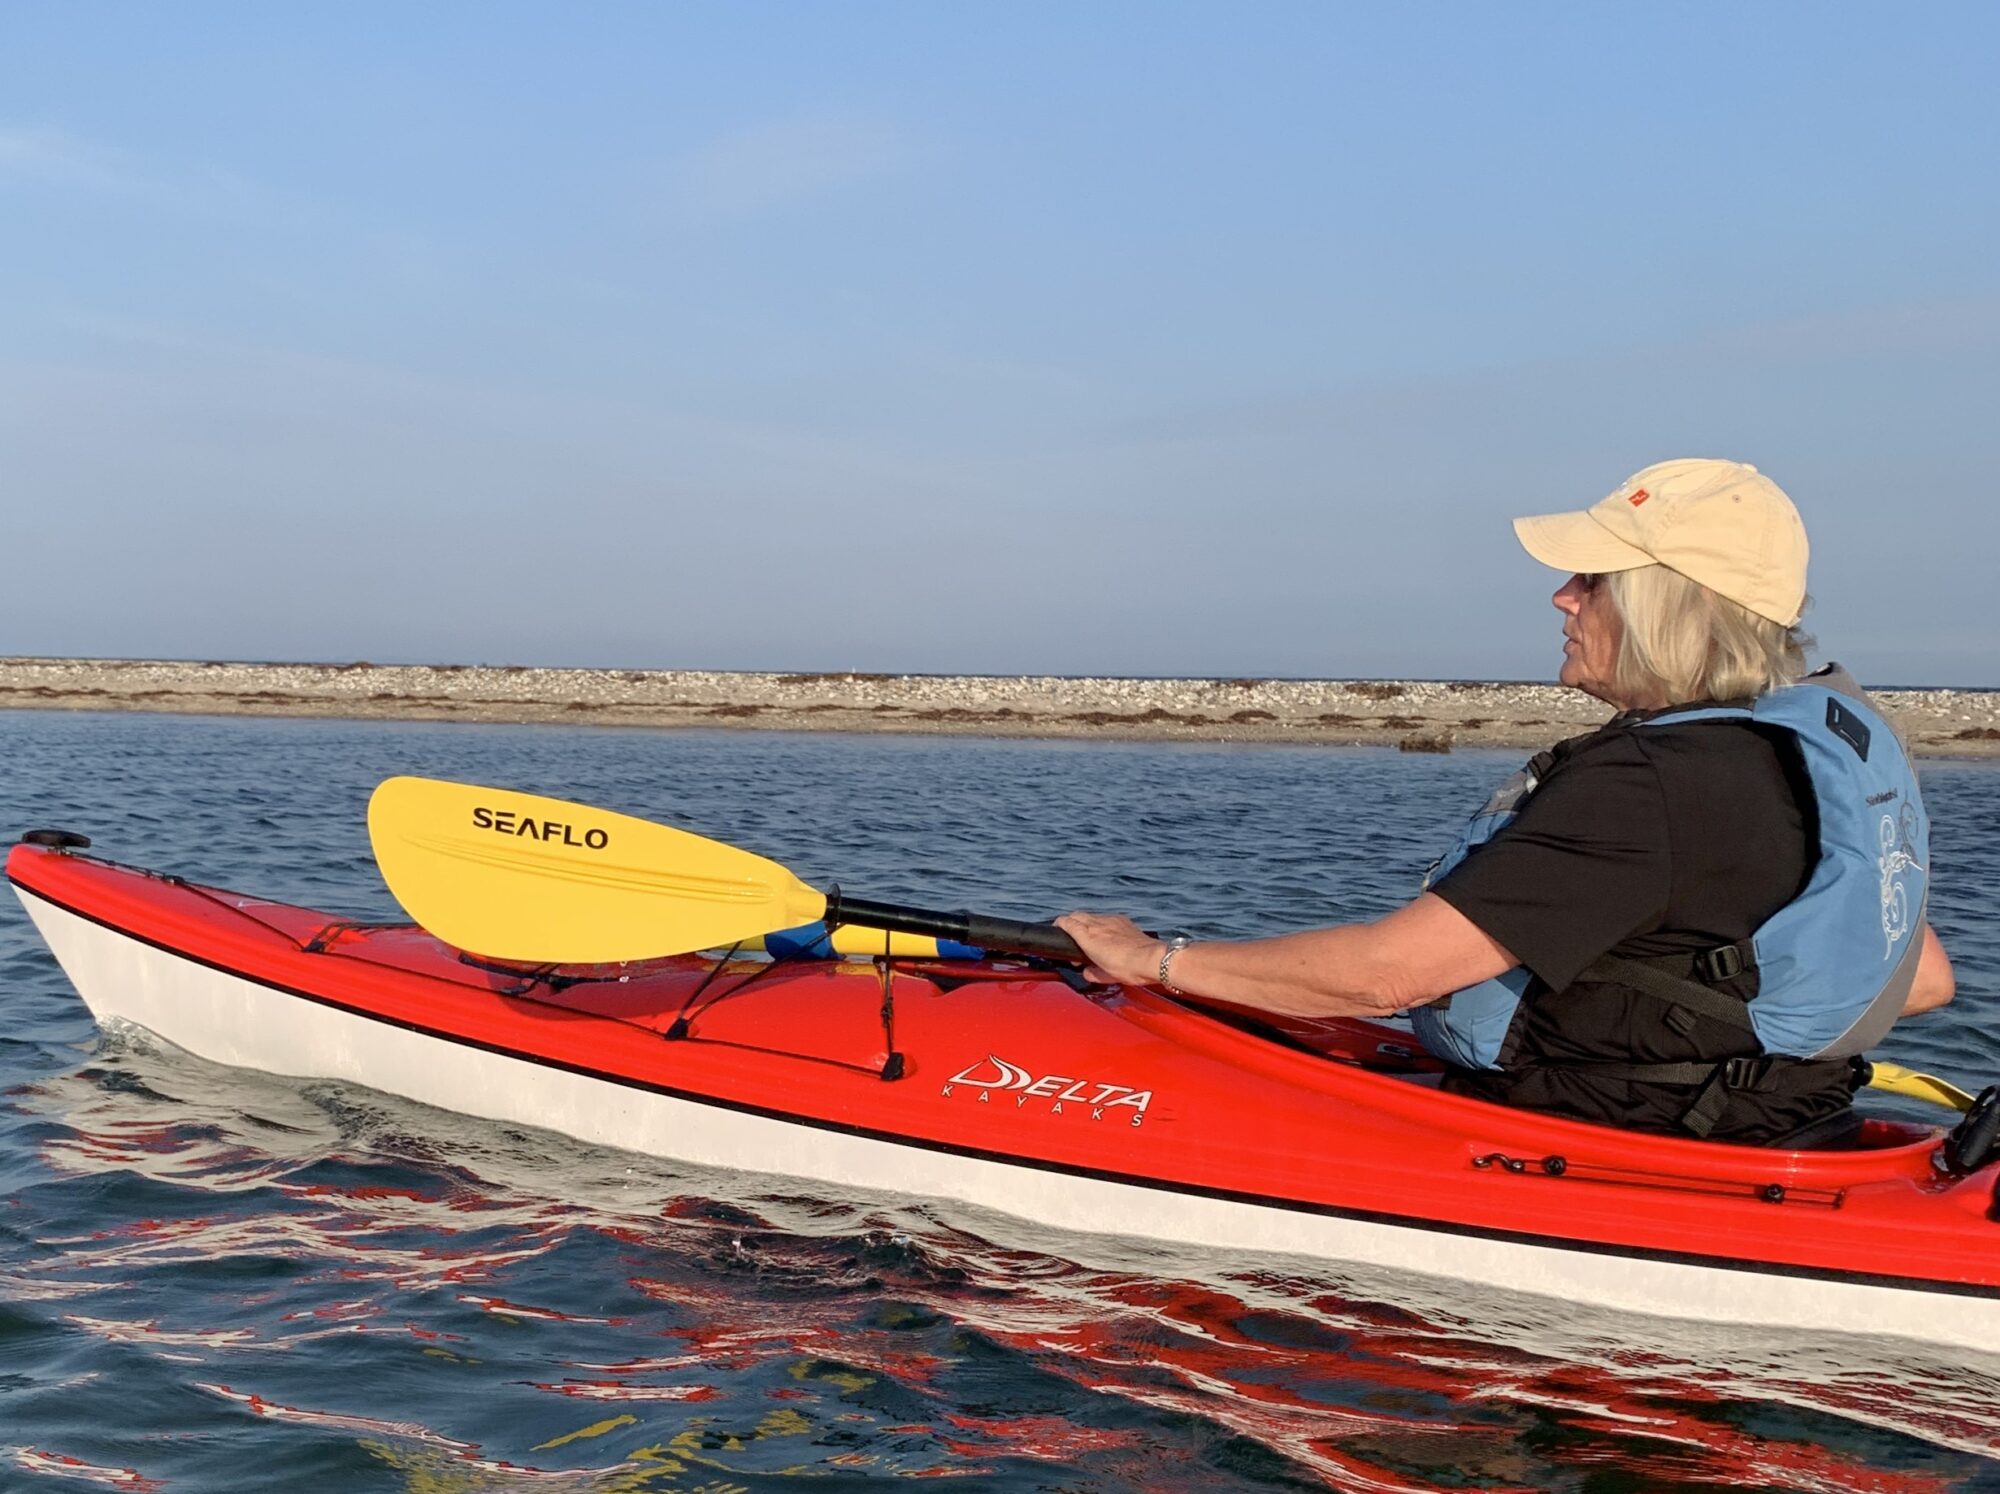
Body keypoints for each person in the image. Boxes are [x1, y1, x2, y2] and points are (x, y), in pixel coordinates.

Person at [1058, 458, 1955, 1146]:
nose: (1562, 596)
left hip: (1624, 1142)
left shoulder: (1650, 783)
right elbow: (1917, 981)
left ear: (1667, 606)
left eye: (1594, 580)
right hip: (1788, 1127)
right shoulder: (1801, 754)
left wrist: (1154, 961)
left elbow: (1385, 977)